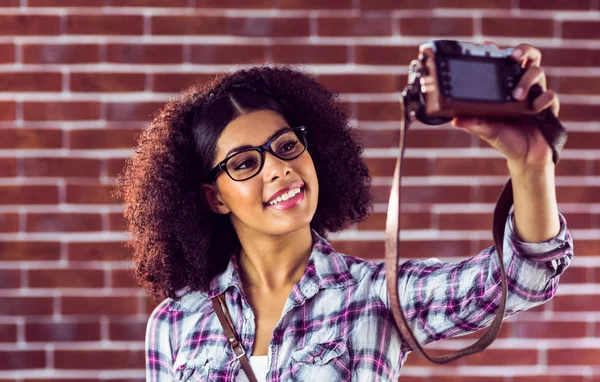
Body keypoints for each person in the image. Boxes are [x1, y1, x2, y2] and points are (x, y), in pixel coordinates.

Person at [114, 43, 573, 382]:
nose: (278, 169)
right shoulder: (175, 323)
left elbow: (522, 277)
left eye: (287, 146)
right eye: (245, 163)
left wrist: (530, 166)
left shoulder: (377, 295)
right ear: (214, 197)